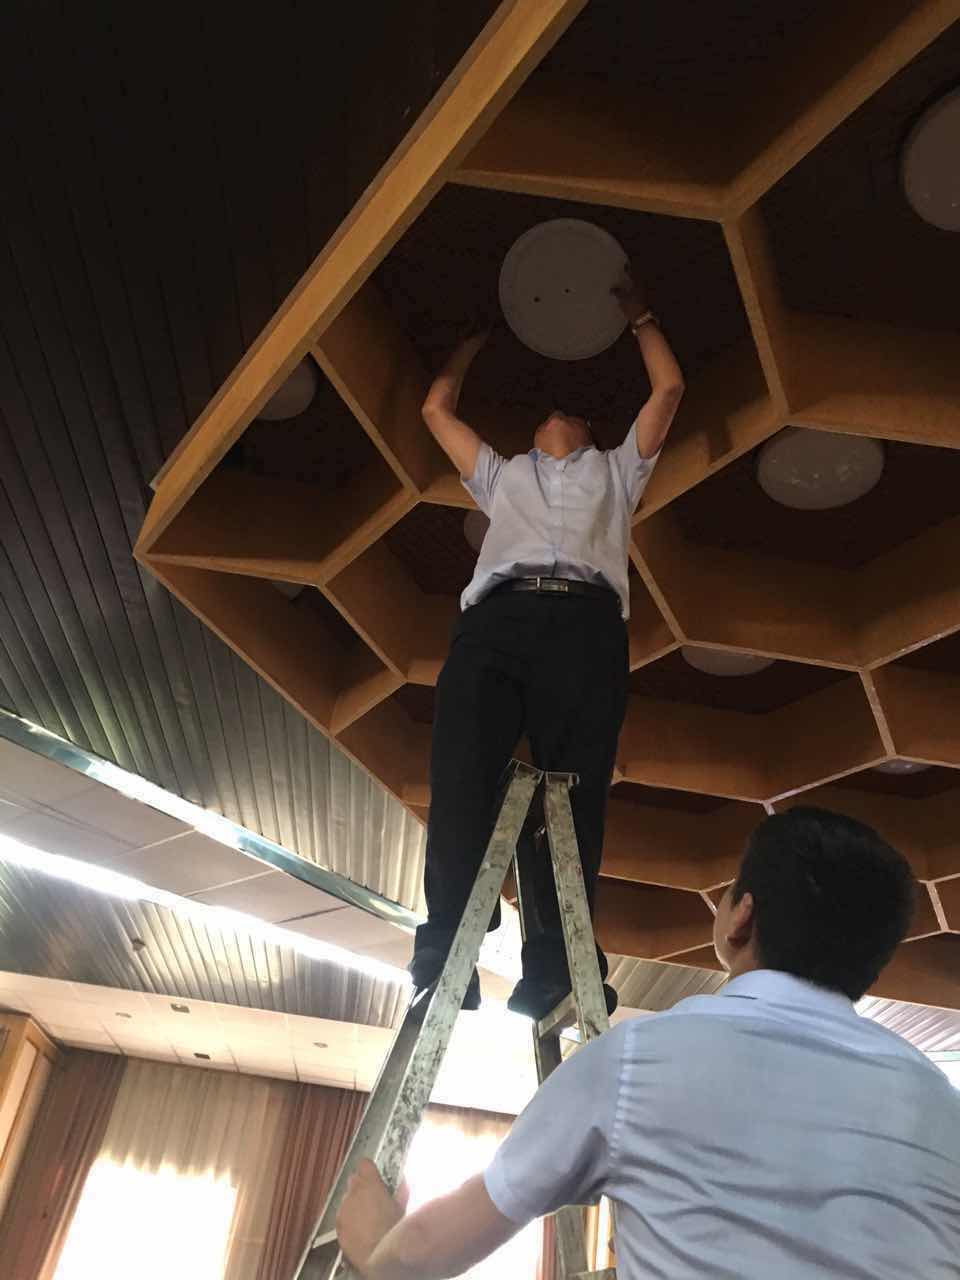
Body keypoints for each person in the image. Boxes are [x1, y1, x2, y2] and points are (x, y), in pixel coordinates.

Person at [338, 806, 960, 1279]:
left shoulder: (638, 1059)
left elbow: (422, 1256)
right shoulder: (941, 1105)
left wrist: (375, 1247)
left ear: (741, 917)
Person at [411, 274, 685, 1020]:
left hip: (586, 629)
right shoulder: (500, 476)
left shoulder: (618, 472)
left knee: (574, 797)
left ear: (589, 431)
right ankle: (446, 950)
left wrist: (639, 314)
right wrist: (472, 341)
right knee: (461, 775)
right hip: (496, 623)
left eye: (570, 411)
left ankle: (557, 969)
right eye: (546, 412)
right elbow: (436, 409)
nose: (555, 412)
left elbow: (668, 389)